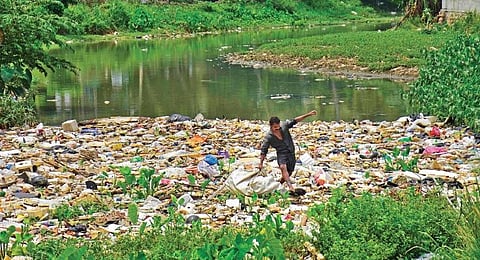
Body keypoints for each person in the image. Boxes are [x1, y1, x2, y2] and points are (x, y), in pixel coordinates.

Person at [258, 110, 317, 191]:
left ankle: (279, 184)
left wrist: (308, 114)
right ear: (271, 126)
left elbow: (295, 120)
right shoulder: (269, 137)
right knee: (282, 167)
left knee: (289, 172)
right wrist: (261, 163)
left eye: (278, 127)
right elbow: (264, 150)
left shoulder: (284, 126)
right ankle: (290, 187)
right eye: (275, 128)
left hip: (291, 152)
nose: (277, 129)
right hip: (281, 153)